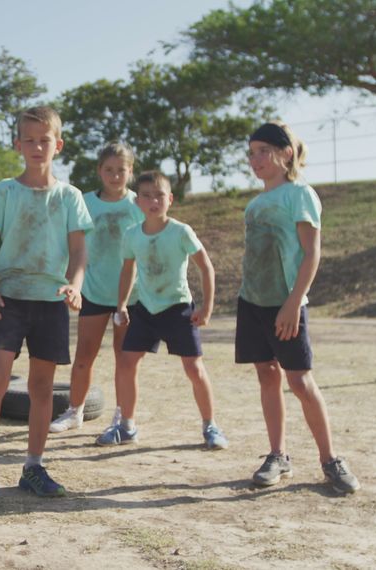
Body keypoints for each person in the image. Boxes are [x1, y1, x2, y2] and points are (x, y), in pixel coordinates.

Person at [0, 106, 93, 509]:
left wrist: (75, 285)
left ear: (58, 145)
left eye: (44, 140)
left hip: (51, 301)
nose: (37, 147)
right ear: (18, 145)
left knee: (42, 387)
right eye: (29, 140)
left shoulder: (70, 196)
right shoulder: (5, 191)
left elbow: (79, 249)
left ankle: (34, 465)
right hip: (9, 296)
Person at [239, 121, 360, 494]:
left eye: (264, 151)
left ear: (285, 152)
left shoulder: (300, 194)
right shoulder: (255, 202)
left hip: (285, 302)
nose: (256, 159)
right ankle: (278, 455)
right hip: (252, 301)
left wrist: (293, 303)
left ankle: (330, 460)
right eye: (252, 152)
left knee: (300, 381)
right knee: (266, 375)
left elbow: (312, 253)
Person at [103, 170, 228, 450]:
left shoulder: (180, 231)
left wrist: (207, 307)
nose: (153, 201)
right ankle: (127, 426)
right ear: (137, 202)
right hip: (145, 309)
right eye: (146, 196)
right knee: (126, 363)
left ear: (170, 199)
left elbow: (205, 266)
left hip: (178, 308)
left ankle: (211, 426)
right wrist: (121, 305)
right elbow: (128, 270)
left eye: (159, 195)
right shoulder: (132, 235)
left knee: (193, 368)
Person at [50, 142, 143, 434]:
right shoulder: (85, 201)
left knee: (124, 360)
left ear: (130, 172)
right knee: (84, 356)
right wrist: (68, 283)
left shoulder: (138, 204)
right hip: (92, 291)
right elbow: (72, 245)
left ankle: (123, 416)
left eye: (121, 170)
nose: (115, 176)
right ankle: (75, 411)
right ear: (99, 171)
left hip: (128, 297)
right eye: (109, 170)